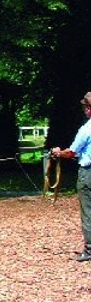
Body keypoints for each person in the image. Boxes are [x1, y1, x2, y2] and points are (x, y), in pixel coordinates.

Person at [52, 91, 91, 261]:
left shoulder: (87, 129)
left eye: (85, 106)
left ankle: (89, 250)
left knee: (88, 212)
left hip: (88, 173)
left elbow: (72, 152)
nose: (84, 110)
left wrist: (58, 153)